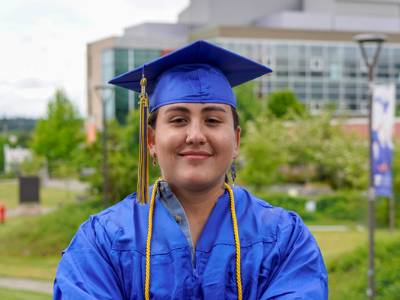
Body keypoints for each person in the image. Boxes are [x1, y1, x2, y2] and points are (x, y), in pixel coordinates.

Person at [54, 40, 328, 299]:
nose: (195, 135)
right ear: (151, 141)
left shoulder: (285, 240)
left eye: (212, 120)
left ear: (236, 141)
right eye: (178, 120)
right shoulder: (101, 242)